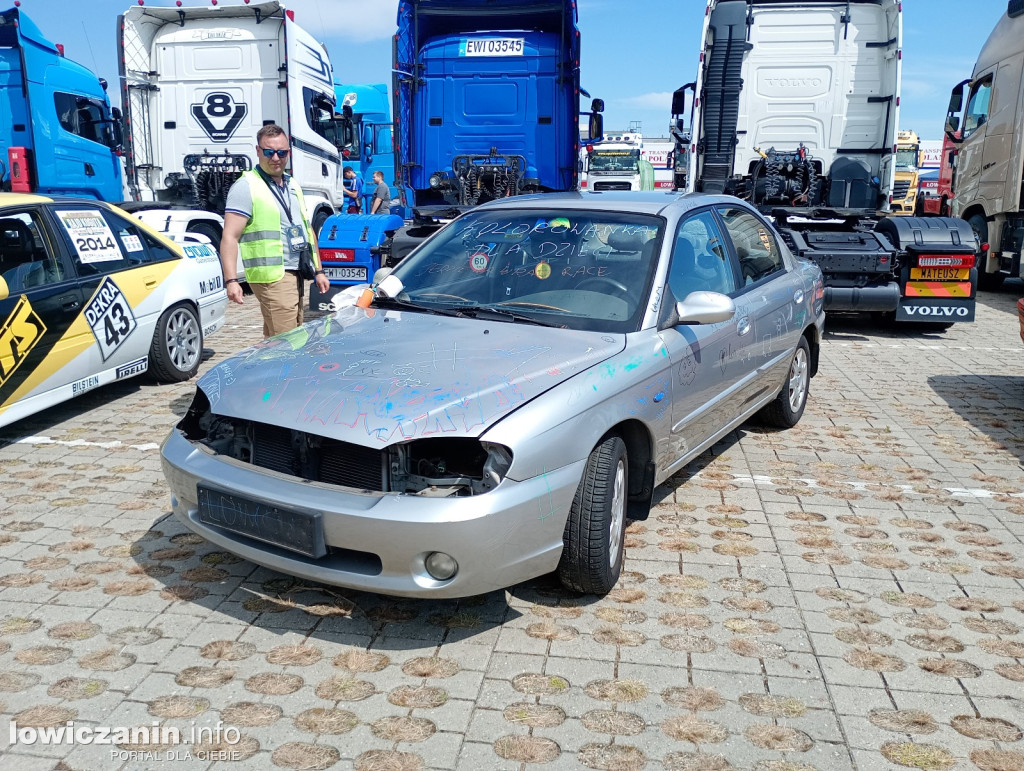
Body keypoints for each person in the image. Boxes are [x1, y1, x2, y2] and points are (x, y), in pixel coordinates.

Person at [220, 124, 330, 338]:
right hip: (272, 275)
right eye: (269, 152)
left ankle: (273, 370)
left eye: (282, 152)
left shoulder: (291, 184)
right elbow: (229, 237)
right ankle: (291, 371)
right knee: (290, 339)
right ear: (258, 151)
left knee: (277, 338)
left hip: (295, 270)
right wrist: (232, 280)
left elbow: (307, 229)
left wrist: (319, 270)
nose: (276, 158)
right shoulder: (246, 186)